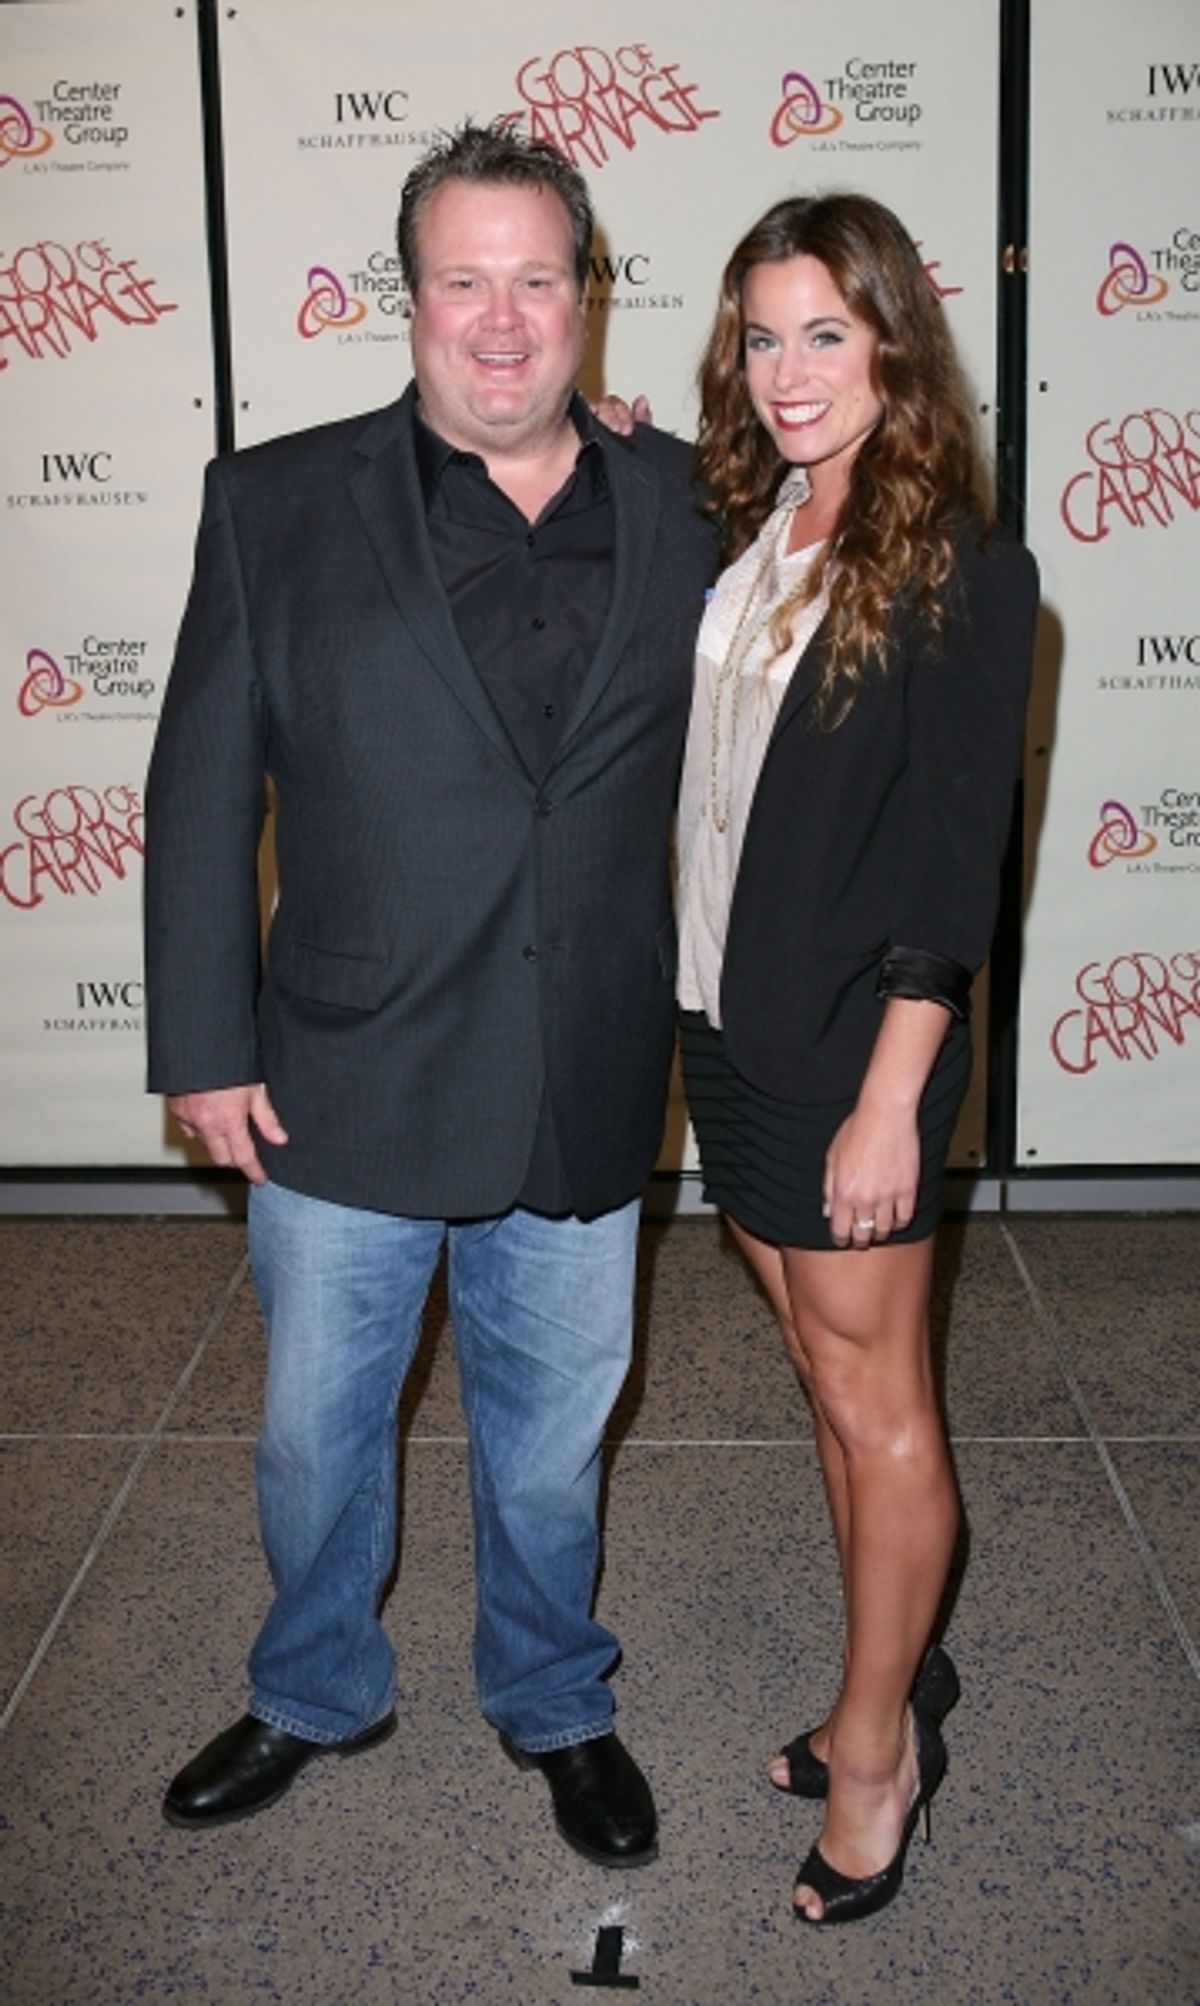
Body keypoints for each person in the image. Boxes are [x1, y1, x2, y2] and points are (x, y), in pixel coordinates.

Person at [143, 121, 715, 1867]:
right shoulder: (275, 498)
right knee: (318, 1442)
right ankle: (318, 1684)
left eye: (536, 278)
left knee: (549, 1446)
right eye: (462, 279)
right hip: (341, 1074)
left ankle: (554, 1692)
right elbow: (196, 787)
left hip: (584, 1070)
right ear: (408, 300)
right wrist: (203, 1044)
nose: (500, 319)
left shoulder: (698, 500)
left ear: (586, 298)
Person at [674, 193, 1038, 1923]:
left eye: (828, 330)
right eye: (763, 333)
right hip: (728, 1028)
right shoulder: (756, 522)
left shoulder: (963, 564)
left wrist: (897, 1093)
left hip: (852, 1051)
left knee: (880, 1406)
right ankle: (876, 1680)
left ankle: (884, 1754)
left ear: (895, 341)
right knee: (827, 1383)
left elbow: (954, 867)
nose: (791, 368)